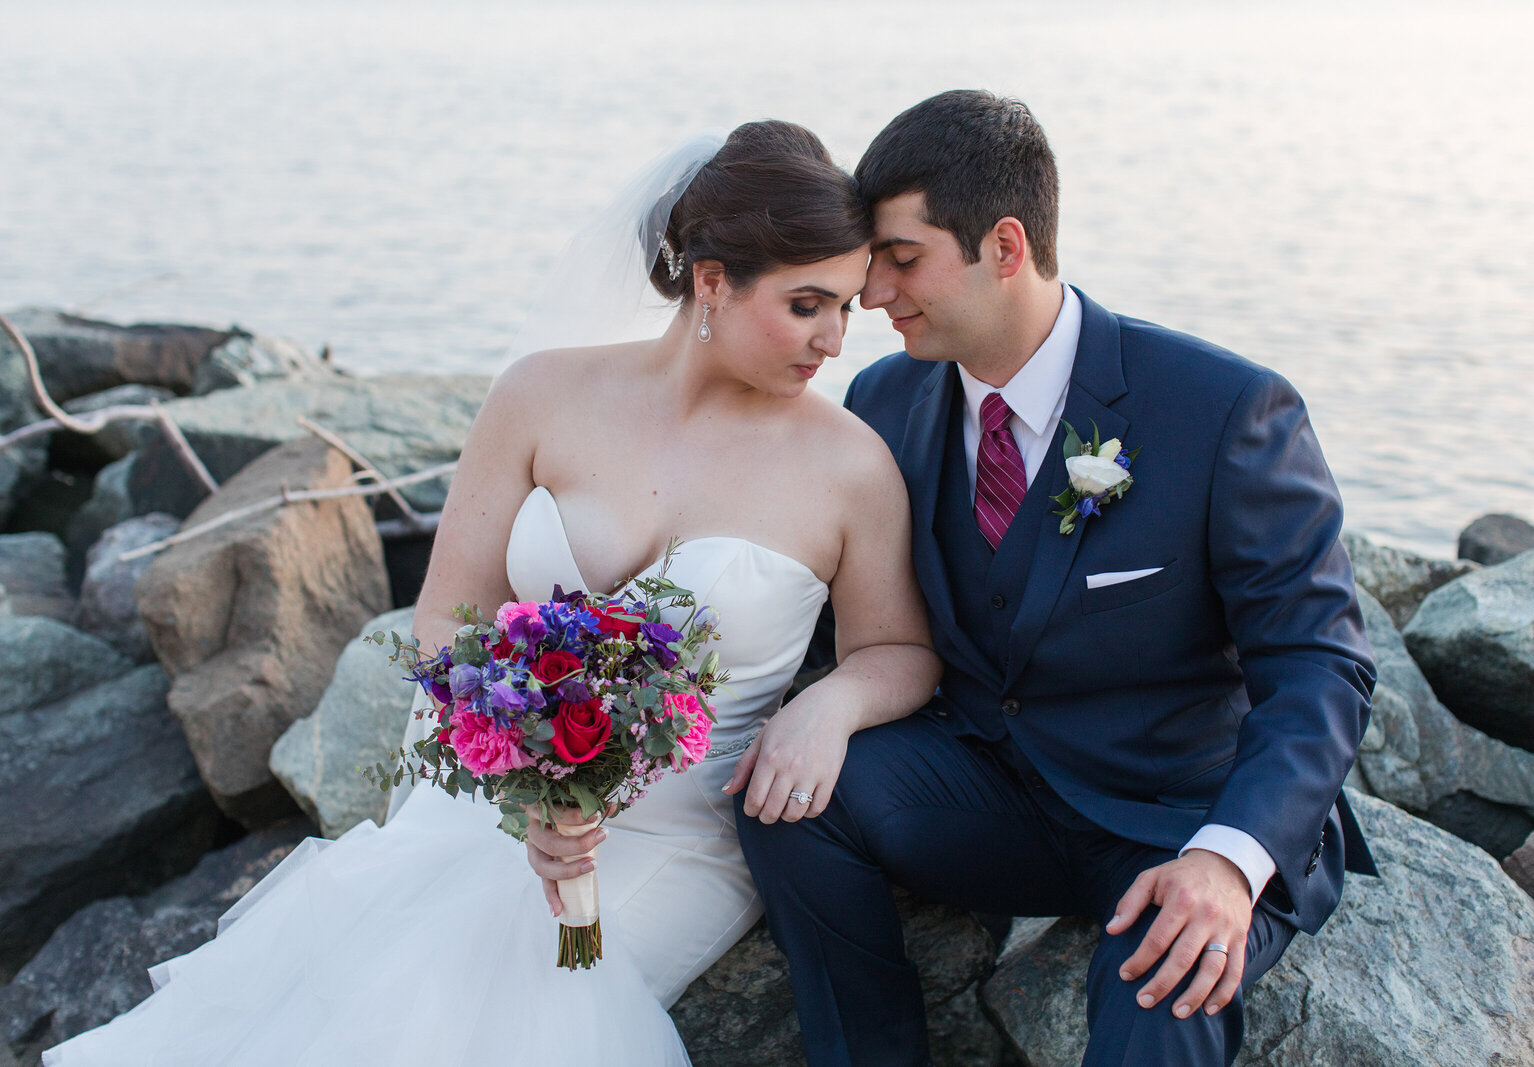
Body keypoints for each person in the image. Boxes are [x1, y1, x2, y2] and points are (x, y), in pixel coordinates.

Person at [43, 120, 941, 1066]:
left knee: (481, 1007)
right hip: (498, 802)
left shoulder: (849, 466)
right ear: (713, 282)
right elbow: (446, 617)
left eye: (846, 307)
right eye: (808, 305)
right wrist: (533, 778)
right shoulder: (540, 395)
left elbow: (900, 651)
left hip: (680, 835)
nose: (835, 340)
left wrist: (831, 705)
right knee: (381, 974)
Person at [735, 90, 1377, 1067]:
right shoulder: (884, 400)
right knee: (788, 796)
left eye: (901, 260)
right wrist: (817, 706)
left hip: (1179, 812)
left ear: (1004, 245)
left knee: (1160, 994)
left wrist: (1228, 857)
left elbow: (1318, 663)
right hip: (991, 792)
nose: (871, 297)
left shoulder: (1223, 409)